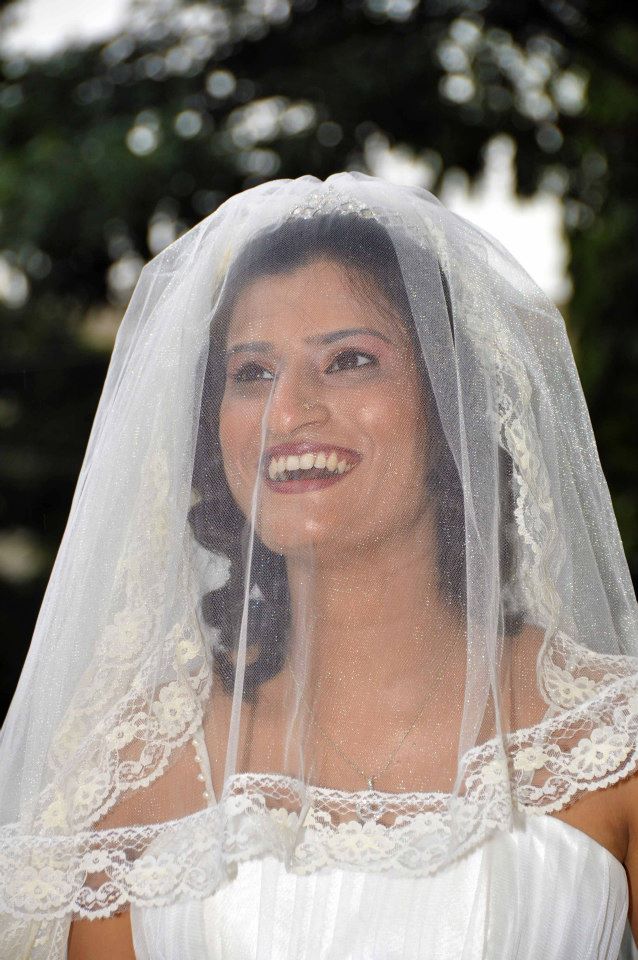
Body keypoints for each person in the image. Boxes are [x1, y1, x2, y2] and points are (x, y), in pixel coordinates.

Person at [1, 172, 637, 960]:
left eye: (349, 360)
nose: (288, 410)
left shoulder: (612, 742)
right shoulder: (130, 775)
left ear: (453, 407)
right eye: (252, 373)